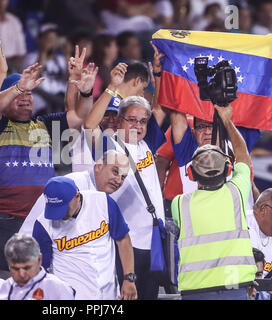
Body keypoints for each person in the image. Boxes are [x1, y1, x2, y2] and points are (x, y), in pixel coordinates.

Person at [0, 57, 96, 271]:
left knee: (40, 279)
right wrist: (18, 87)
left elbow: (79, 115)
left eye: (29, 94)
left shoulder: (44, 125)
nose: (25, 98)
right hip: (4, 221)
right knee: (5, 279)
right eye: (19, 95)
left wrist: (86, 92)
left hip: (42, 219)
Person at [84, 53, 167, 300]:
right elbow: (90, 126)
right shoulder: (111, 145)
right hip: (127, 244)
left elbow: (159, 108)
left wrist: (158, 77)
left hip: (154, 241)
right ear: (120, 120)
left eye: (143, 121)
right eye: (132, 120)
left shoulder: (147, 143)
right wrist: (112, 88)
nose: (139, 126)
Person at [171, 104, 257, 300]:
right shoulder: (237, 193)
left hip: (195, 290)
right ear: (228, 170)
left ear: (191, 174)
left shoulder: (179, 204)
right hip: (234, 286)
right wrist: (226, 120)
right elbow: (242, 155)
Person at [33, 176, 137, 300]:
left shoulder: (102, 202)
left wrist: (129, 278)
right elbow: (40, 268)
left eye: (63, 208)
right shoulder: (43, 224)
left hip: (109, 291)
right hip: (70, 295)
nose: (59, 215)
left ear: (77, 196)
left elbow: (123, 239)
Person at [72, 61, 156, 173]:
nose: (142, 94)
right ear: (137, 81)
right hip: (90, 174)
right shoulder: (113, 102)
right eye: (143, 88)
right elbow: (90, 127)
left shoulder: (108, 100)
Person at [20, 149, 130, 235]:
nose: (118, 180)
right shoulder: (70, 185)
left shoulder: (107, 198)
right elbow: (33, 227)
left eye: (123, 177)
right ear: (99, 166)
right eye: (115, 172)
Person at [0, 233, 75, 300]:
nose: (21, 274)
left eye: (27, 268)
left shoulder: (57, 287)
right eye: (15, 269)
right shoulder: (6, 287)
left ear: (39, 260)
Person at [22, 23, 68, 115]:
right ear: (40, 39)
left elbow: (67, 78)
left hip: (59, 97)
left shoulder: (60, 59)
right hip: (41, 96)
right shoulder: (31, 57)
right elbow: (31, 79)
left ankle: (57, 128)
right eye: (48, 39)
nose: (52, 42)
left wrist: (67, 54)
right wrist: (43, 52)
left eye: (54, 39)